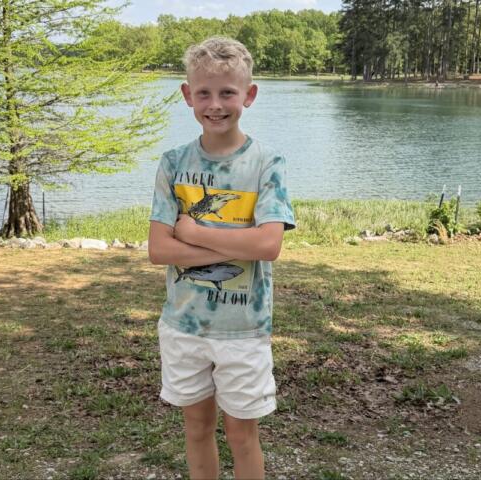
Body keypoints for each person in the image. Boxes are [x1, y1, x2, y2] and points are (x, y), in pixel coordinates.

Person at [147, 36, 295, 480]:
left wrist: (193, 230)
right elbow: (159, 249)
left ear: (248, 95)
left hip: (244, 330)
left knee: (241, 435)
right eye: (205, 93)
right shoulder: (173, 164)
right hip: (183, 325)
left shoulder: (268, 162)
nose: (216, 104)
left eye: (228, 92)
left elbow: (268, 245)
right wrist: (233, 241)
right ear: (187, 95)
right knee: (196, 429)